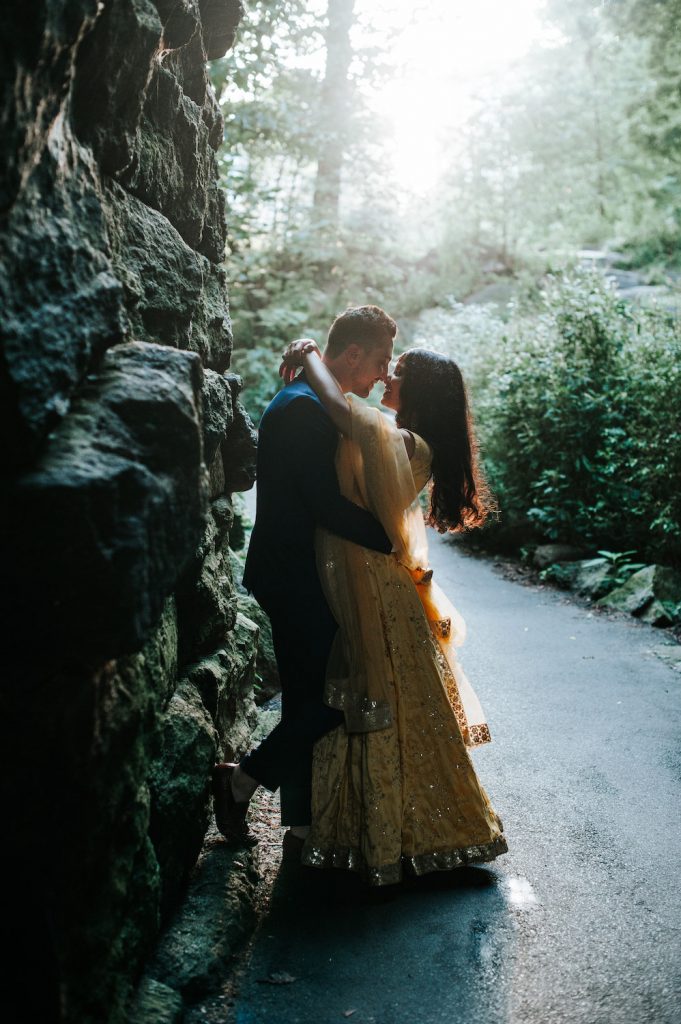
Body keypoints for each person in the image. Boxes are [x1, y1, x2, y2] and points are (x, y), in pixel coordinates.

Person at [278, 340, 507, 884]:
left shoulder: (407, 441)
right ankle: (367, 828)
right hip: (363, 572)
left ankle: (387, 834)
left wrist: (309, 353)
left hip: (374, 581)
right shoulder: (394, 432)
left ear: (419, 391)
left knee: (375, 693)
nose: (385, 381)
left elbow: (339, 410)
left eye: (397, 374)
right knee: (377, 694)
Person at [212, 306, 396, 851]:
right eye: (380, 360)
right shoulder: (303, 408)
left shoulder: (313, 401)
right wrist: (390, 538)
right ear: (353, 353)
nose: (383, 374)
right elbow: (324, 504)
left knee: (305, 696)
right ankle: (241, 781)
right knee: (328, 700)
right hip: (292, 573)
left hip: (297, 570)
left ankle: (303, 820)